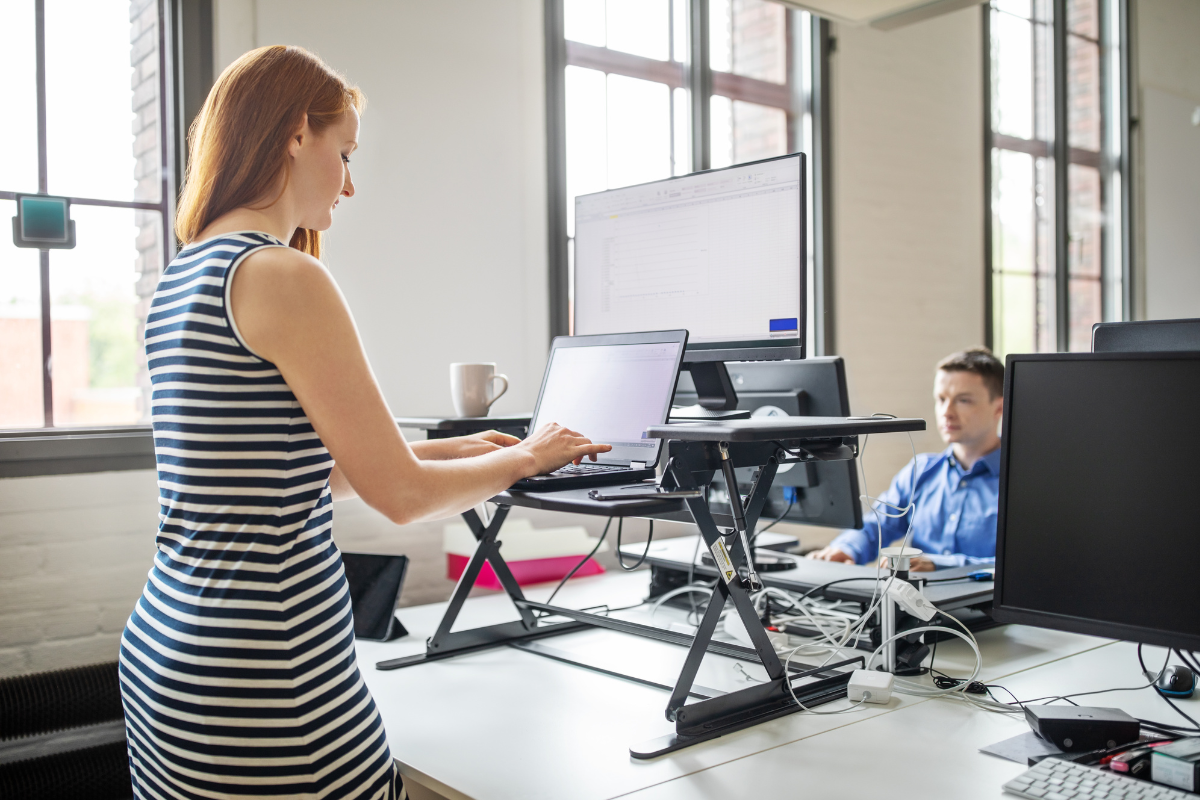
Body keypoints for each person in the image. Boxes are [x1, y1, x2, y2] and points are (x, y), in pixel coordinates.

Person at [118, 46, 611, 800]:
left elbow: (292, 471)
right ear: (293, 134)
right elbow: (401, 497)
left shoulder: (182, 277)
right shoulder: (282, 274)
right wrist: (526, 459)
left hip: (171, 660)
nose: (350, 183)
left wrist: (449, 447)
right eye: (343, 153)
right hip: (268, 671)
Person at [807, 348, 1004, 572]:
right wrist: (846, 549)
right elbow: (877, 525)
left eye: (963, 400)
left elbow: (1024, 566)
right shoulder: (921, 471)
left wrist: (940, 565)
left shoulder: (1024, 483)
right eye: (941, 399)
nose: (946, 412)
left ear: (999, 407)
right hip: (917, 604)